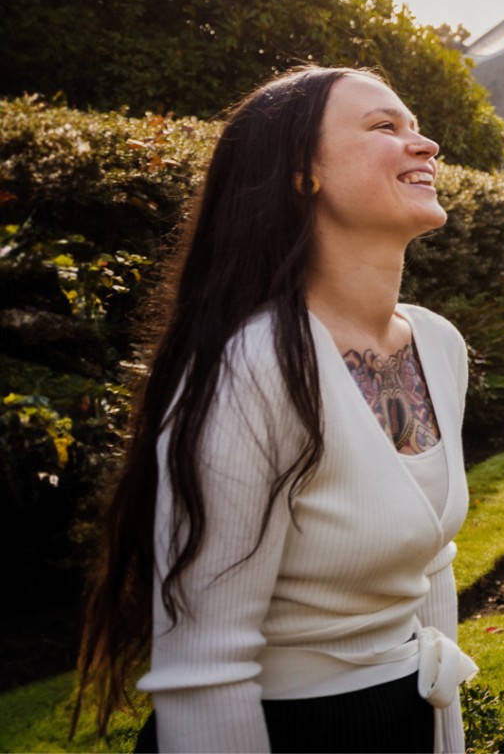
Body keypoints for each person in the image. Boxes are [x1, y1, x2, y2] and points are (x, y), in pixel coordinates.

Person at [75, 67, 479, 754]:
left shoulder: (437, 344)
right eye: (387, 127)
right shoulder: (250, 365)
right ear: (302, 174)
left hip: (405, 724)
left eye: (416, 126)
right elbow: (205, 666)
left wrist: (447, 737)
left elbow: (430, 570)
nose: (426, 144)